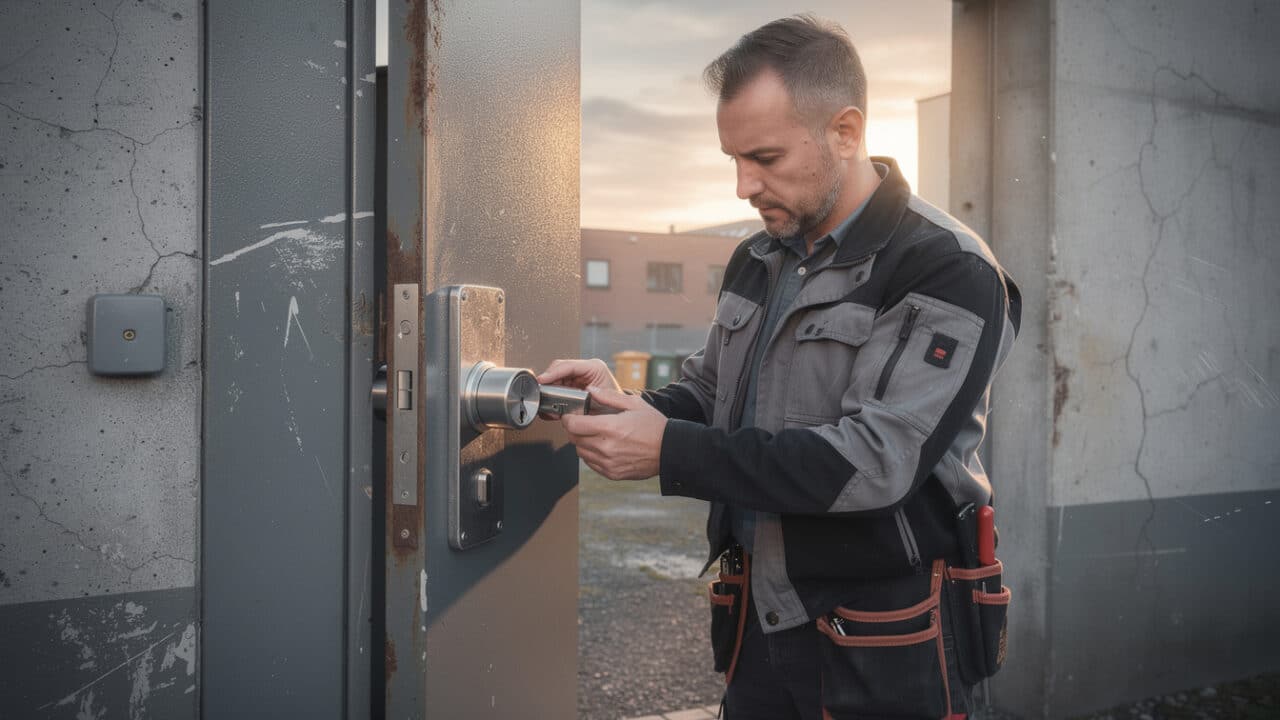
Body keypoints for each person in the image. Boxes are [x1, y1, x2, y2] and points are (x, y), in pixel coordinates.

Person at [541, 14, 1020, 720]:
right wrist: (627, 407)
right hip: (761, 624)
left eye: (764, 157)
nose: (743, 185)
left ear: (846, 132)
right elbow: (711, 392)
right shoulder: (759, 256)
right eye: (733, 158)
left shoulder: (947, 268)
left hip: (888, 637)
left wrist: (670, 451)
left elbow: (876, 461)